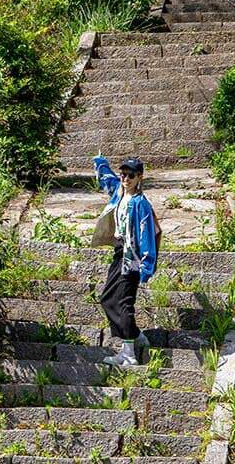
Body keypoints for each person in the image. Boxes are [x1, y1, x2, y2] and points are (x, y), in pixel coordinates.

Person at [93, 154, 158, 367]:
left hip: (133, 257)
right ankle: (136, 335)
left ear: (139, 177)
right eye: (123, 174)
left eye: (131, 175)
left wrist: (147, 265)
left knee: (124, 302)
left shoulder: (141, 204)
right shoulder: (119, 194)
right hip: (119, 252)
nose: (126, 179)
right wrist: (101, 163)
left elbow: (147, 235)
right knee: (107, 299)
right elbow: (108, 180)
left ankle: (129, 354)